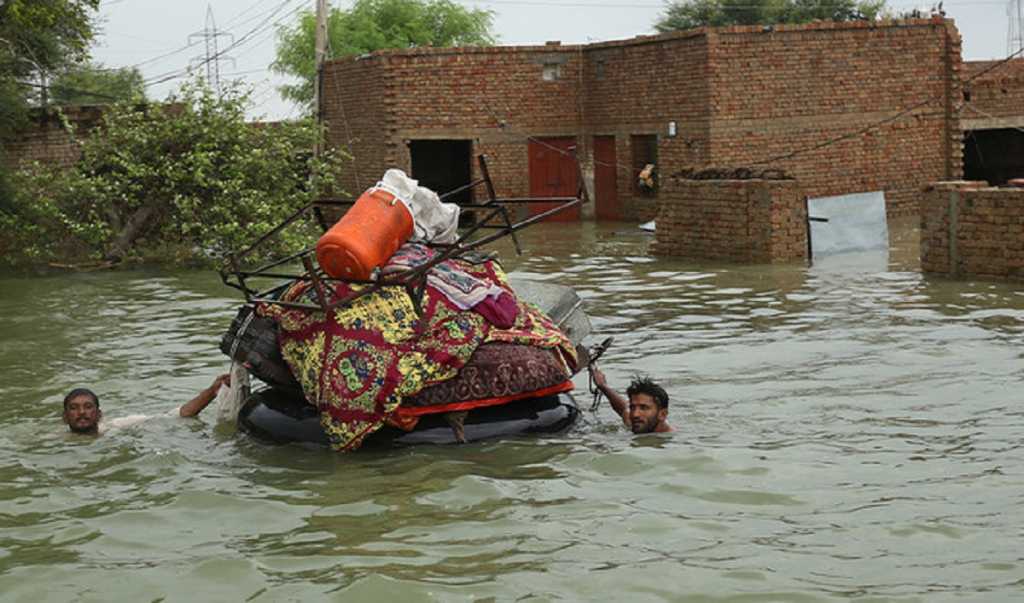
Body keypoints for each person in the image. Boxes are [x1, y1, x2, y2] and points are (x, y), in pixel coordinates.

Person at [62, 374, 230, 435]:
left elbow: (177, 415)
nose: (81, 412)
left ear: (99, 414)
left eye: (88, 407)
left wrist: (212, 391)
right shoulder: (56, 441)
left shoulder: (117, 427)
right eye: (74, 408)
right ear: (65, 417)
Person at [590, 368, 673, 434]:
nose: (635, 414)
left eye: (643, 408)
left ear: (662, 414)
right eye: (632, 407)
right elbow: (623, 408)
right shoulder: (639, 422)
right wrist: (603, 386)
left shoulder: (672, 441)